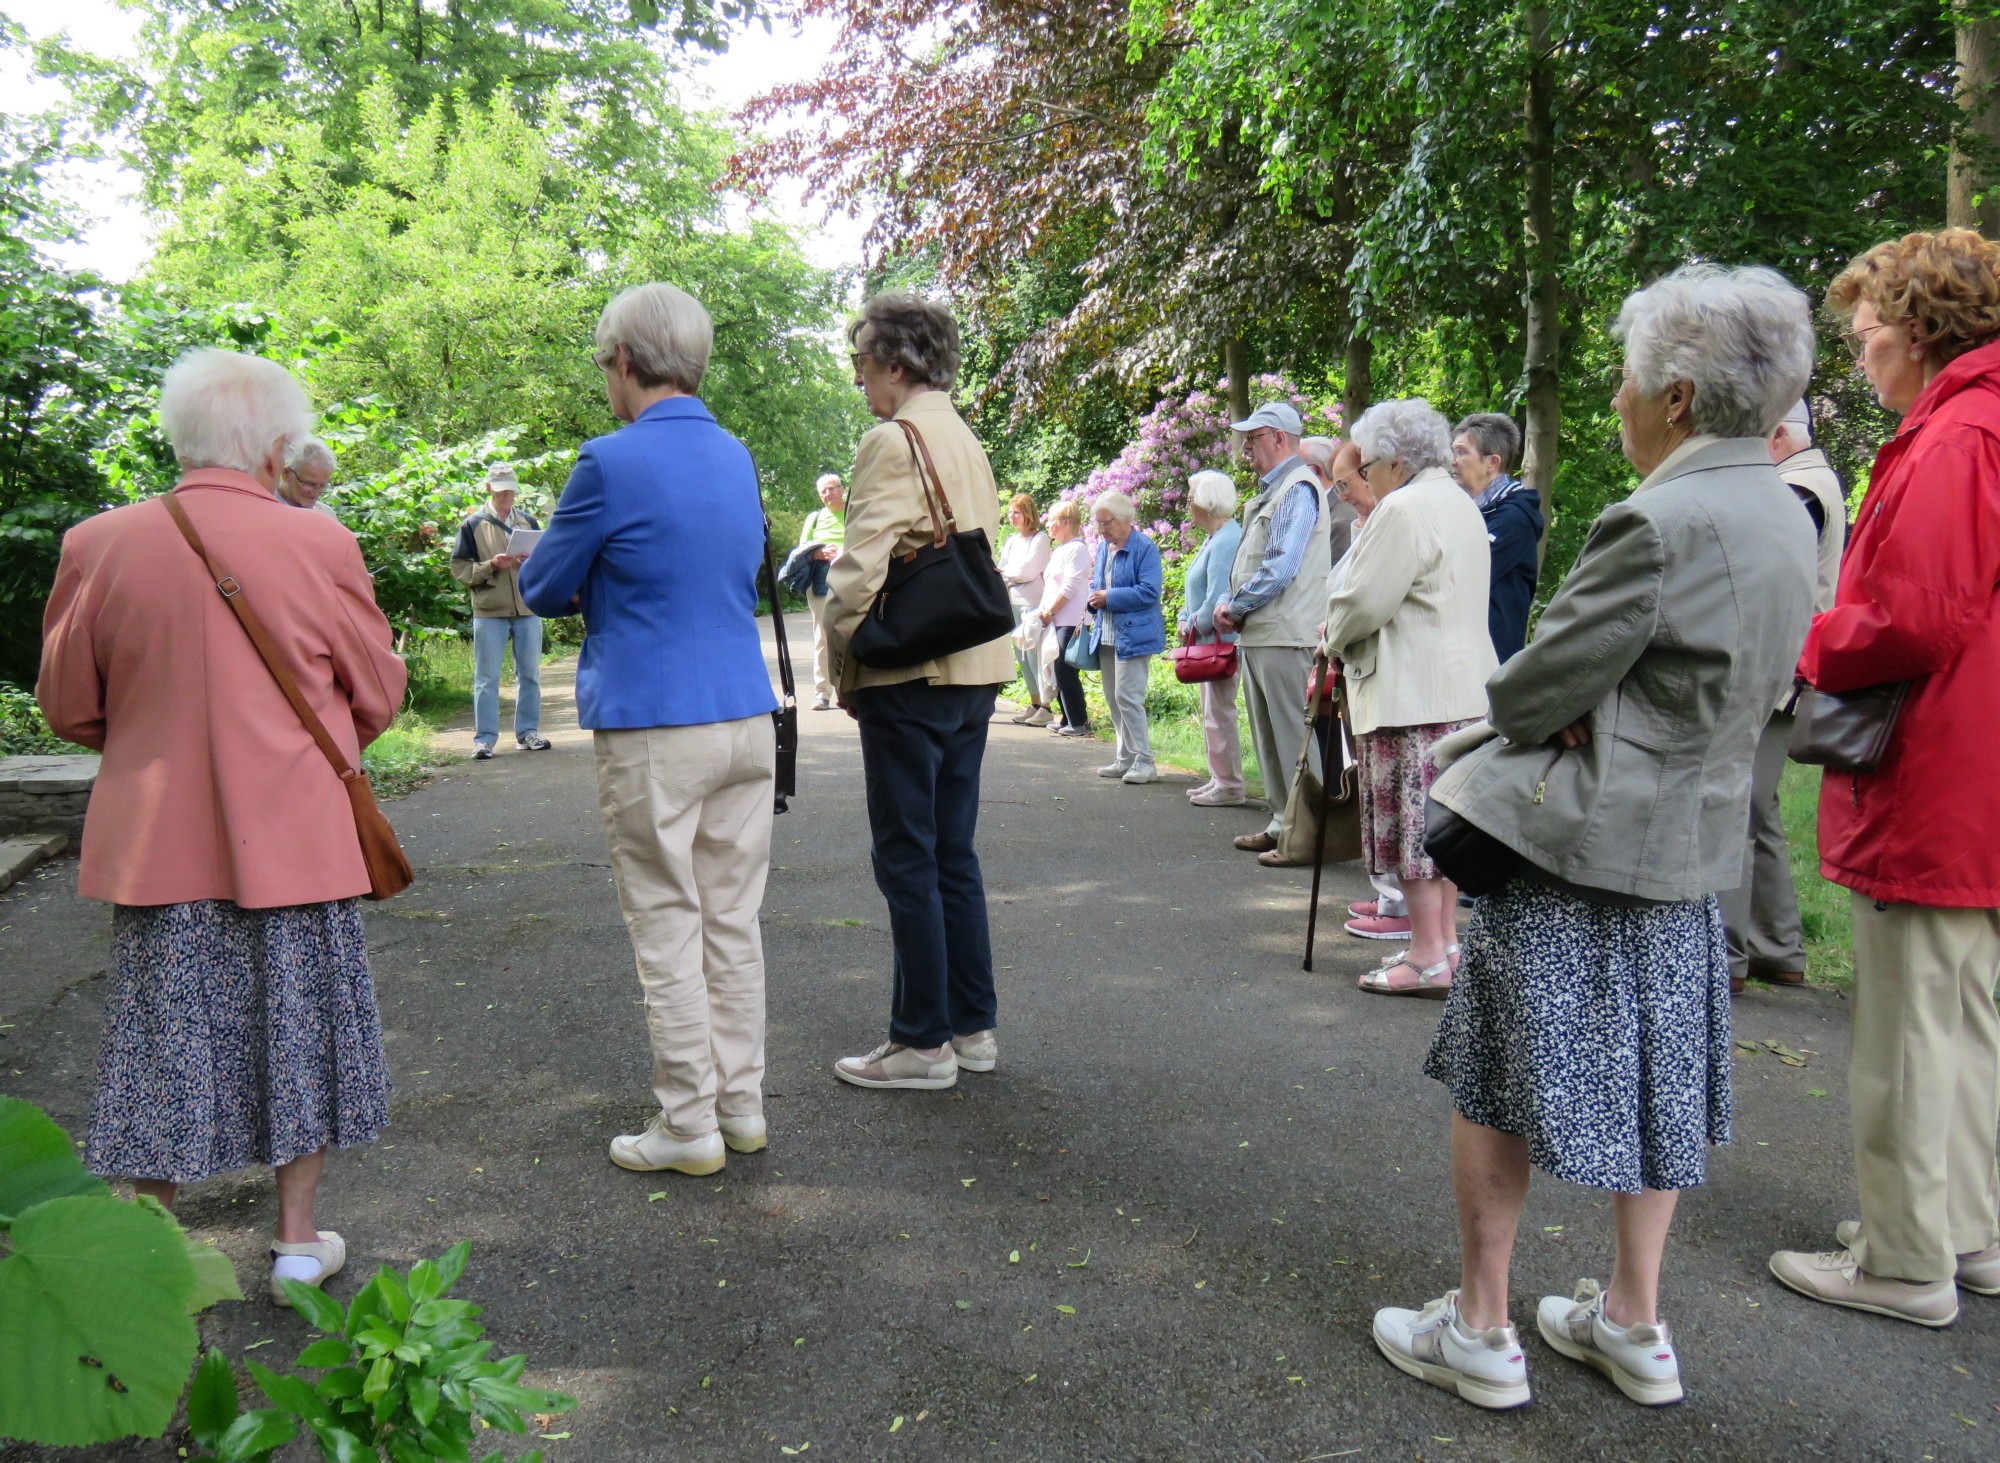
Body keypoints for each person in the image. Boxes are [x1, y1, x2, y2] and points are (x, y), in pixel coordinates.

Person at [1371, 264, 1817, 1410]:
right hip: (1689, 852)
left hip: (1575, 846)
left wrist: (1568, 696)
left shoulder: (1659, 516)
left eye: (1623, 379)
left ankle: (1477, 1326)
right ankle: (1632, 1317)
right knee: (1661, 1077)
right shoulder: (1785, 503)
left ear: (1672, 395)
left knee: (1499, 1075)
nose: (1612, 398)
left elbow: (1527, 692)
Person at [36, 347, 407, 1306]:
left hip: (157, 842)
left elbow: (70, 707)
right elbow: (377, 690)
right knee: (301, 1030)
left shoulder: (97, 543)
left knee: (163, 1038)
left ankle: (156, 1249)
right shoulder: (319, 542)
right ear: (278, 447)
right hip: (298, 838)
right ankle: (292, 1243)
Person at [1768, 229, 2000, 1326]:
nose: (1857, 357)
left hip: (1934, 766)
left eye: (1863, 337)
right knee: (1962, 1012)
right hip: (1974, 769)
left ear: (1914, 330)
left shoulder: (1954, 436)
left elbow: (1911, 617)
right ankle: (1967, 1231)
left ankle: (1903, 1259)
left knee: (1908, 1026)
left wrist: (1813, 641)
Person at [518, 282, 779, 1176]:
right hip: (747, 712)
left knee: (667, 920)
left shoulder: (608, 460)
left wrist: (593, 573)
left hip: (656, 723)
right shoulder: (736, 454)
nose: (606, 380)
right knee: (732, 923)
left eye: (605, 364)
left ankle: (687, 1122)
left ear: (624, 361)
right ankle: (741, 1109)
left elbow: (543, 588)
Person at [823, 292, 1013, 1091]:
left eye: (864, 364)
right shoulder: (963, 434)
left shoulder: (892, 439)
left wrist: (841, 662)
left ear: (895, 365)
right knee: (951, 854)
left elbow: (858, 572)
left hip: (912, 670)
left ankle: (920, 1042)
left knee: (907, 855)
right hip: (976, 665)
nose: (862, 379)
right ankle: (970, 1026)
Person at [1321, 399, 1495, 972]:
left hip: (1410, 694)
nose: (1365, 477)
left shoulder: (1404, 508)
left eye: (1368, 466)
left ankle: (1425, 957)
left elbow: (1363, 603)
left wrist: (1331, 635)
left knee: (1414, 831)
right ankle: (1444, 946)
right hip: (1462, 692)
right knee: (1443, 832)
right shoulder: (1460, 502)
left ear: (1395, 462)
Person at [1718, 398, 1847, 994]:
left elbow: (1753, 570)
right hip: (1791, 666)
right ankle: (1778, 947)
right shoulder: (1811, 483)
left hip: (1777, 669)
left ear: (1776, 435)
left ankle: (1726, 956)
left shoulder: (1798, 491)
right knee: (1760, 808)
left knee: (1736, 806)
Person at [1214, 402, 1331, 861]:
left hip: (1286, 634)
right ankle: (1283, 824)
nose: (1246, 448)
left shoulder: (1297, 488)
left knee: (1292, 742)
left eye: (1254, 438)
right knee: (1270, 740)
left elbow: (1280, 567)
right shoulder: (1277, 490)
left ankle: (1309, 836)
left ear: (1280, 438)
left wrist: (1236, 606)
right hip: (1265, 633)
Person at [1315, 440, 1410, 940]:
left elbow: (1366, 601)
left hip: (1381, 668)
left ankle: (1399, 902)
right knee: (1371, 784)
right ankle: (1388, 894)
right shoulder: (1363, 526)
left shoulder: (1394, 522)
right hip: (1355, 664)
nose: (1344, 493)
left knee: (1390, 792)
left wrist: (1334, 632)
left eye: (1347, 482)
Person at [450, 464, 551, 758]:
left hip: (527, 606)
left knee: (530, 674)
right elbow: (460, 569)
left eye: (510, 488)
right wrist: (491, 566)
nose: (506, 494)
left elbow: (544, 563)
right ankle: (484, 740)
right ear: (488, 489)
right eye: (501, 489)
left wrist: (529, 561)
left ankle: (528, 732)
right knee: (486, 678)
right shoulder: (472, 524)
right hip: (489, 610)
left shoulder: (528, 522)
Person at [1084, 489, 1166, 785]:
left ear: (1123, 520)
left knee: (1128, 696)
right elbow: (1098, 582)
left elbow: (1149, 591)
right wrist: (1094, 598)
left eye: (1105, 523)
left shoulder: (1144, 547)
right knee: (1112, 698)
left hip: (1135, 634)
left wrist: (1109, 597)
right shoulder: (1105, 548)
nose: (1100, 529)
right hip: (1107, 632)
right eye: (1098, 524)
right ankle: (1125, 758)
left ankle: (1145, 761)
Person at [1449, 413, 1543, 662]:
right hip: (1460, 657)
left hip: (1489, 662)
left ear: (1492, 462)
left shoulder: (1513, 518)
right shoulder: (1466, 510)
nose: (1452, 461)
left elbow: (1459, 576)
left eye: (1461, 452)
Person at [1179, 469, 1245, 806]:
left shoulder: (1227, 539)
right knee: (1212, 712)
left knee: (1219, 712)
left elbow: (1219, 593)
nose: (1188, 504)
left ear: (1207, 502)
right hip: (1207, 641)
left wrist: (1192, 623)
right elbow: (1196, 588)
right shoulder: (1214, 538)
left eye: (1191, 497)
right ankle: (1219, 777)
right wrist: (1184, 617)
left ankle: (1230, 785)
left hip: (1218, 643)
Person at [1036, 498, 1092, 736]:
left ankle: (1078, 721)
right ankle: (1066, 717)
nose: (1047, 525)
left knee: (1065, 668)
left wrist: (1050, 611)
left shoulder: (1077, 549)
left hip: (1070, 619)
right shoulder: (1060, 550)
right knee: (1057, 667)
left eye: (1052, 520)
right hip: (1056, 619)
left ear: (1066, 522)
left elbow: (1069, 588)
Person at [999, 492, 1053, 725]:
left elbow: (1028, 571)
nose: (1012, 517)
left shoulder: (1040, 539)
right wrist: (1012, 575)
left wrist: (1010, 575)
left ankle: (1046, 706)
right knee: (1022, 657)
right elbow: (999, 569)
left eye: (1016, 512)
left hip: (1033, 603)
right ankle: (1033, 703)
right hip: (1014, 602)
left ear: (1028, 514)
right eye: (1010, 513)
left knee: (1034, 655)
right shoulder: (1012, 541)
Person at [798, 473, 847, 711]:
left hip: (852, 576)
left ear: (842, 489)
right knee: (822, 637)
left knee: (855, 633)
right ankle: (822, 692)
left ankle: (850, 690)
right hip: (820, 579)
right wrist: (817, 554)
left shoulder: (855, 513)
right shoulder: (815, 518)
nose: (827, 494)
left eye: (831, 489)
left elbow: (870, 541)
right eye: (823, 491)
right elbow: (801, 551)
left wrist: (844, 551)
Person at [278, 438, 341, 520]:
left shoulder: (326, 515)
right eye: (310, 484)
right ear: (286, 474)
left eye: (322, 486)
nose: (315, 493)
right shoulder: (265, 509)